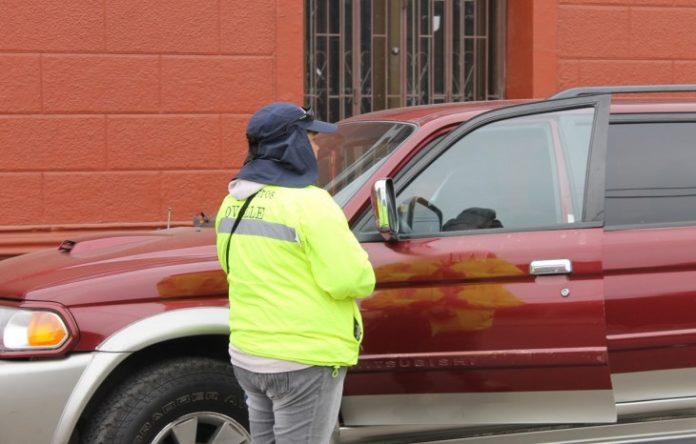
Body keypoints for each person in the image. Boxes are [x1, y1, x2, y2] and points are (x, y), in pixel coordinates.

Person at [215, 102, 376, 444]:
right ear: (292, 145)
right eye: (311, 138)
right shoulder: (310, 203)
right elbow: (350, 280)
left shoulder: (233, 200)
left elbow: (230, 265)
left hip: (249, 355)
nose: (316, 147)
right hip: (303, 360)